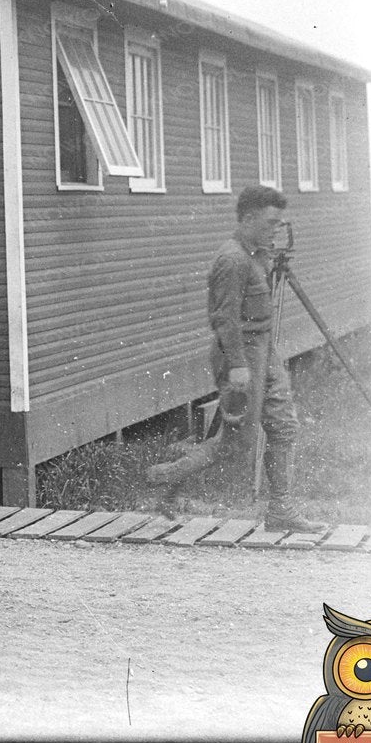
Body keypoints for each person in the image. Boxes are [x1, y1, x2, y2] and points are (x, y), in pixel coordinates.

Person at [148, 185, 320, 533]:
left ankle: (281, 509)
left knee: (284, 426)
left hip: (265, 352)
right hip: (240, 356)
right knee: (238, 444)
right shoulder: (232, 259)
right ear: (249, 217)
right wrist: (239, 365)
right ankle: (167, 474)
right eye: (271, 222)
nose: (276, 229)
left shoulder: (257, 254)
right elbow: (224, 319)